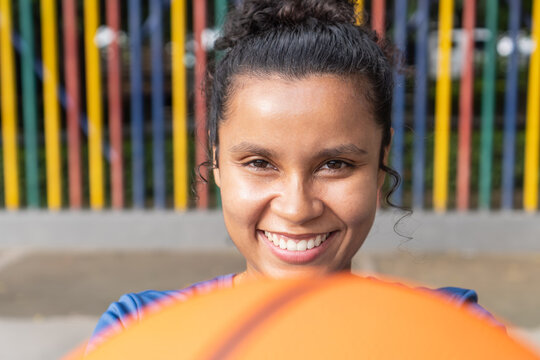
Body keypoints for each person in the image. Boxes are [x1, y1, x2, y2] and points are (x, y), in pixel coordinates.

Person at [88, 0, 500, 350]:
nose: (297, 207)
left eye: (335, 164)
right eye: (259, 163)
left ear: (380, 161)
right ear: (215, 162)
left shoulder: (455, 337)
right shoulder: (142, 333)